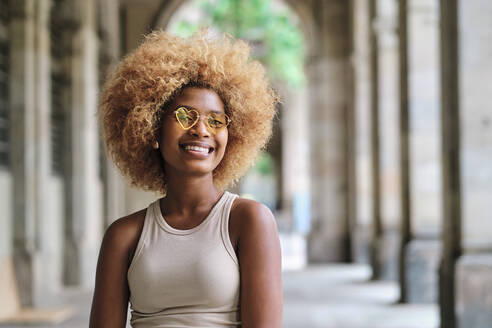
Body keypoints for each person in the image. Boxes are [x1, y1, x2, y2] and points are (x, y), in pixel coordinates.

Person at [89, 29, 282, 328]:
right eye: (184, 116)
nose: (201, 130)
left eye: (216, 120)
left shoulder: (249, 220)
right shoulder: (123, 235)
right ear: (152, 129)